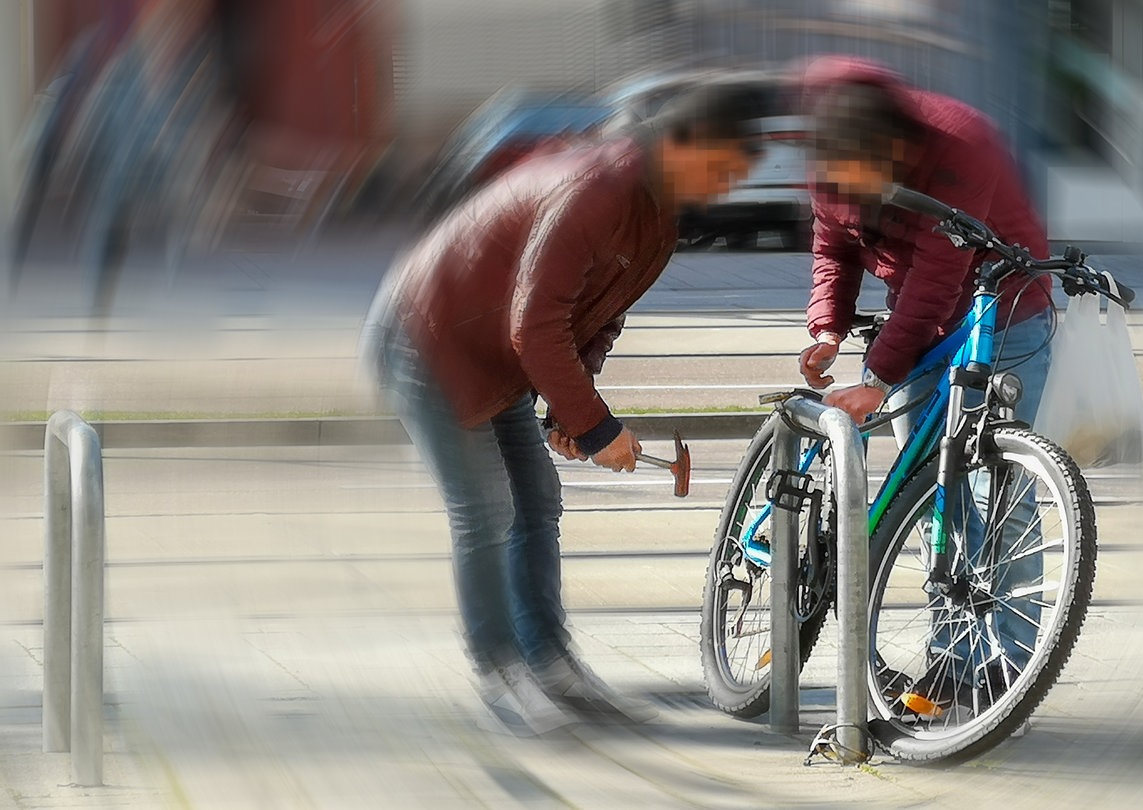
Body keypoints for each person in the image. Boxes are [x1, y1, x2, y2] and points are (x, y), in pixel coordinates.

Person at [362, 81, 765, 736]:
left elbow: (601, 315)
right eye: (721, 169)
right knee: (486, 509)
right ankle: (502, 676)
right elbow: (536, 322)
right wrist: (596, 424)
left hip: (493, 352)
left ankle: (549, 663)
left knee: (537, 500)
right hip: (428, 339)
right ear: (683, 144)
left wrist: (566, 410)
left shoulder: (659, 213)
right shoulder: (600, 188)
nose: (725, 186)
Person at [795, 56, 1054, 716]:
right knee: (931, 495)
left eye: (866, 177)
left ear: (894, 149)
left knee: (999, 504)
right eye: (838, 178)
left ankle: (1006, 672)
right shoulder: (830, 160)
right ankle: (951, 658)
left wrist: (877, 377)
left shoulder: (959, 146)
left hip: (1004, 318)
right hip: (919, 332)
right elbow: (834, 247)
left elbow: (938, 280)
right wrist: (827, 327)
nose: (851, 190)